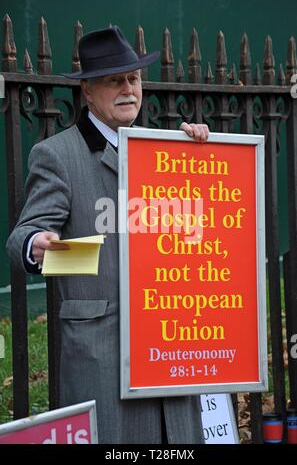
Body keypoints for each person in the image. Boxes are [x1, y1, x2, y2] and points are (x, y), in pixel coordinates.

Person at [6, 26, 209, 444]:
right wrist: (36, 246)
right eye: (113, 80)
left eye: (133, 78)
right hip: (103, 354)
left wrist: (204, 156)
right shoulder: (56, 154)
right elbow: (23, 236)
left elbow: (199, 232)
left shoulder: (171, 149)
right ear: (87, 92)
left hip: (170, 344)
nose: (127, 88)